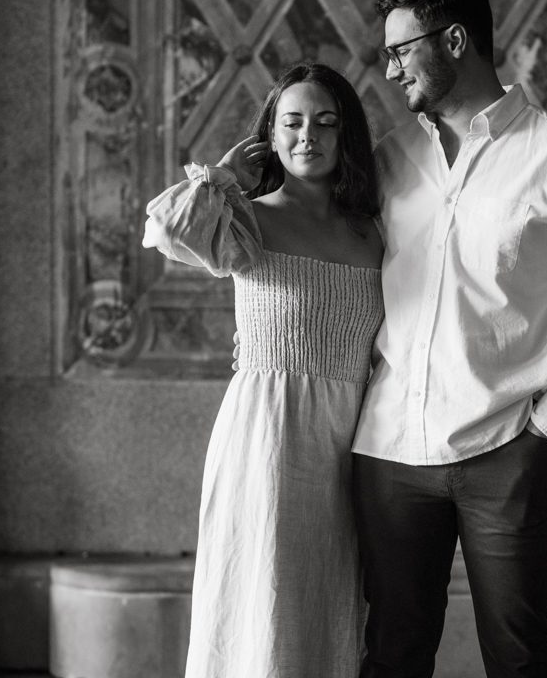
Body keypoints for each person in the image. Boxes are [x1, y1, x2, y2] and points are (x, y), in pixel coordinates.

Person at [351, 0, 547, 677]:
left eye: (401, 50)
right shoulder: (390, 159)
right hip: (390, 452)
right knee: (391, 653)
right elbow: (326, 260)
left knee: (517, 654)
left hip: (508, 452)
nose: (390, 71)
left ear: (455, 40)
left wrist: (545, 430)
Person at [141, 62, 383, 677]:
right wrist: (223, 178)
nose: (309, 137)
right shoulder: (249, 219)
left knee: (328, 601)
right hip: (267, 438)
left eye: (326, 123)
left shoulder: (372, 232)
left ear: (346, 135)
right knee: (262, 600)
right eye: (293, 123)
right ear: (270, 137)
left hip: (353, 439)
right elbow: (167, 229)